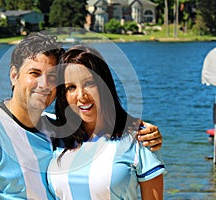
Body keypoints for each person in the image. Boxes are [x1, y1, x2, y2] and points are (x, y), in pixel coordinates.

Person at [0, 32, 163, 199]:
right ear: (14, 75)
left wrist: (139, 129)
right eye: (34, 73)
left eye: (52, 77)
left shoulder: (55, 128)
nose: (43, 84)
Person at [47, 45, 165, 199]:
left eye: (89, 83)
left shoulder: (138, 138)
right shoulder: (54, 134)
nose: (81, 96)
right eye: (71, 87)